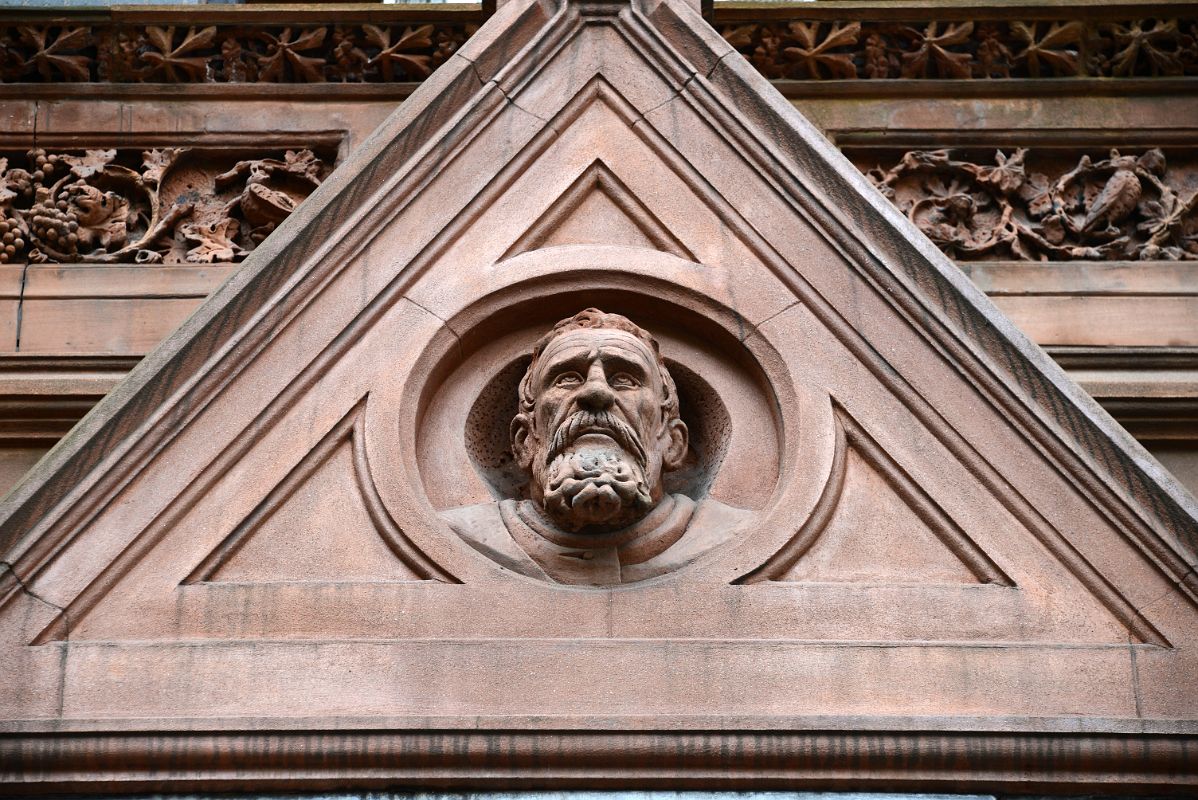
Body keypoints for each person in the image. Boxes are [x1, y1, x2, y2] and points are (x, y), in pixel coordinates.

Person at [443, 308, 748, 585]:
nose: (596, 391)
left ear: (673, 443)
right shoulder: (460, 538)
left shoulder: (731, 537)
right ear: (524, 442)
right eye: (567, 378)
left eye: (625, 379)